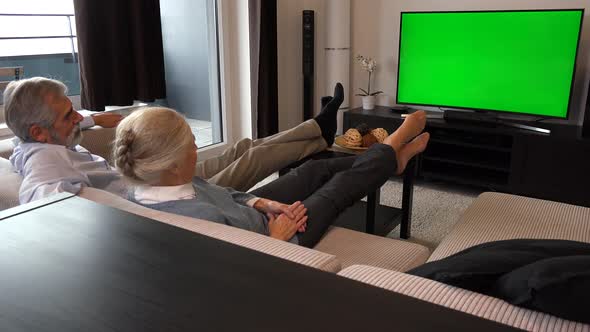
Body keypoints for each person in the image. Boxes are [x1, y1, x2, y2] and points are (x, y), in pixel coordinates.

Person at [113, 107, 430, 248]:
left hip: (258, 213)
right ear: (171, 163)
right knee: (338, 190)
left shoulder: (163, 182)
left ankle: (390, 159)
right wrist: (274, 239)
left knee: (312, 170)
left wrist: (261, 201)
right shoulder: (195, 222)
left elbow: (223, 192)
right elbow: (233, 275)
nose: (197, 146)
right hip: (281, 236)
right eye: (190, 143)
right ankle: (391, 148)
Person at [3, 77, 343, 204]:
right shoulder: (43, 160)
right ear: (38, 132)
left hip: (156, 174)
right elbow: (38, 201)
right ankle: (319, 132)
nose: (76, 117)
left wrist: (90, 119)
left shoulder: (41, 141)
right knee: (251, 161)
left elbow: (71, 128)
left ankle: (317, 129)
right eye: (68, 116)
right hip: (165, 194)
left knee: (242, 146)